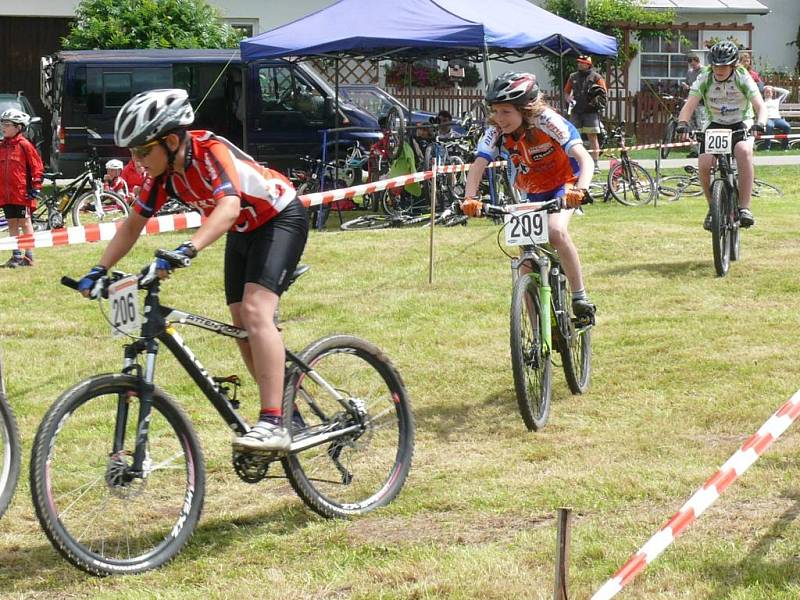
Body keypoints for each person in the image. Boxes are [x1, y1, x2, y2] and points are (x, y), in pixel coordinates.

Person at [76, 89, 309, 452]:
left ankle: (273, 421)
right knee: (239, 325)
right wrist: (99, 267)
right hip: (244, 230)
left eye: (141, 151)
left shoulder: (210, 152)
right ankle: (285, 402)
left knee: (254, 311)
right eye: (132, 154)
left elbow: (229, 208)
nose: (136, 162)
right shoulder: (164, 174)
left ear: (170, 140)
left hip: (279, 217)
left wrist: (187, 249)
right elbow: (133, 223)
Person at [460, 72, 596, 318]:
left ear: (525, 109)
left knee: (556, 231)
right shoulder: (495, 131)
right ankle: (534, 336)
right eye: (495, 111)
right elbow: (478, 164)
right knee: (525, 261)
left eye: (506, 112)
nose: (499, 119)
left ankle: (579, 295)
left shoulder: (547, 120)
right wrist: (470, 198)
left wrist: (581, 190)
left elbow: (584, 158)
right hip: (529, 192)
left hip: (565, 185)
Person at [676, 41, 767, 230]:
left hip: (741, 121)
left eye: (724, 65)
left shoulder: (742, 76)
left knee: (743, 151)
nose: (719, 69)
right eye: (716, 65)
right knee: (704, 162)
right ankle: (712, 207)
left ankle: (744, 207)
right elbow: (689, 105)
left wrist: (761, 123)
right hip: (715, 123)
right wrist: (682, 124)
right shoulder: (705, 77)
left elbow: (760, 105)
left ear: (733, 65)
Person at [0, 108, 43, 268]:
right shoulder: (2, 146)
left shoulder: (24, 145)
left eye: (7, 124)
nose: (3, 127)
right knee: (11, 223)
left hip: (21, 193)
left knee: (25, 222)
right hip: (5, 194)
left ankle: (29, 255)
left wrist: (36, 186)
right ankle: (16, 255)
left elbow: (36, 167)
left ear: (18, 127)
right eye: (2, 123)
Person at [565, 55, 607, 172]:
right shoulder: (572, 77)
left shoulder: (596, 77)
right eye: (579, 62)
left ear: (588, 64)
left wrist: (596, 102)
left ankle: (595, 164)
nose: (579, 64)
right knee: (574, 139)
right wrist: (568, 98)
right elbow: (566, 92)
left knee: (592, 137)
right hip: (576, 112)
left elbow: (604, 93)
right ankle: (577, 164)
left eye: (582, 63)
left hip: (591, 112)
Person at [680, 54, 704, 158]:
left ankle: (701, 150)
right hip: (691, 102)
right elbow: (687, 83)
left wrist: (690, 87)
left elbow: (702, 87)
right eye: (691, 65)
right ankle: (694, 150)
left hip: (701, 103)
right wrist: (685, 86)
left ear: (698, 61)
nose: (693, 67)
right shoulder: (690, 72)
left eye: (694, 65)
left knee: (700, 125)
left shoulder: (704, 71)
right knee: (692, 127)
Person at [762, 85, 791, 150]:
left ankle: (784, 147)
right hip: (768, 119)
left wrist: (773, 88)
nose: (768, 93)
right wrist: (765, 87)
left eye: (770, 92)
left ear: (772, 93)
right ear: (763, 93)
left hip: (777, 119)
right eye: (766, 92)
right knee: (769, 126)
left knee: (787, 126)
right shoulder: (761, 102)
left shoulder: (777, 101)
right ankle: (767, 148)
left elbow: (786, 92)